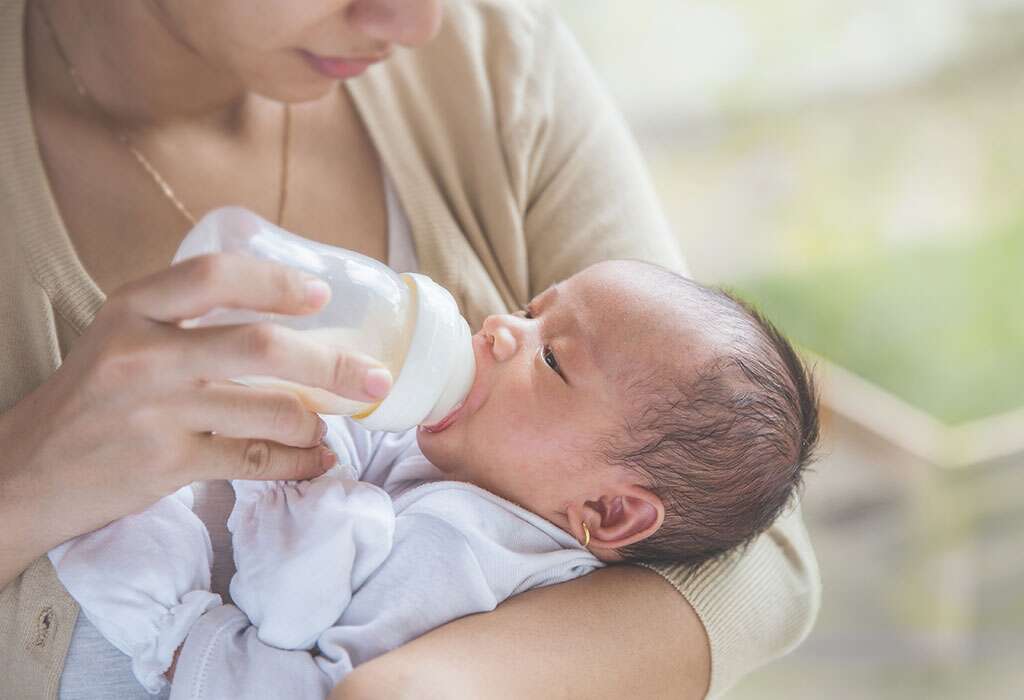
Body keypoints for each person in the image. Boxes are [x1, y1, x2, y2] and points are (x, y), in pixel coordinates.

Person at [0, 1, 821, 698]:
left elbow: (760, 558)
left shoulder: (492, 58)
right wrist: (25, 480)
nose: (420, 22)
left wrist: (403, 684)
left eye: (552, 358)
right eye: (533, 311)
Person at [49, 260, 820, 697]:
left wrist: (189, 644)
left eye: (551, 358)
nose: (500, 329)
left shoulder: (463, 556)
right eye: (528, 309)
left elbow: (309, 669)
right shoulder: (473, 460)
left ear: (609, 512)